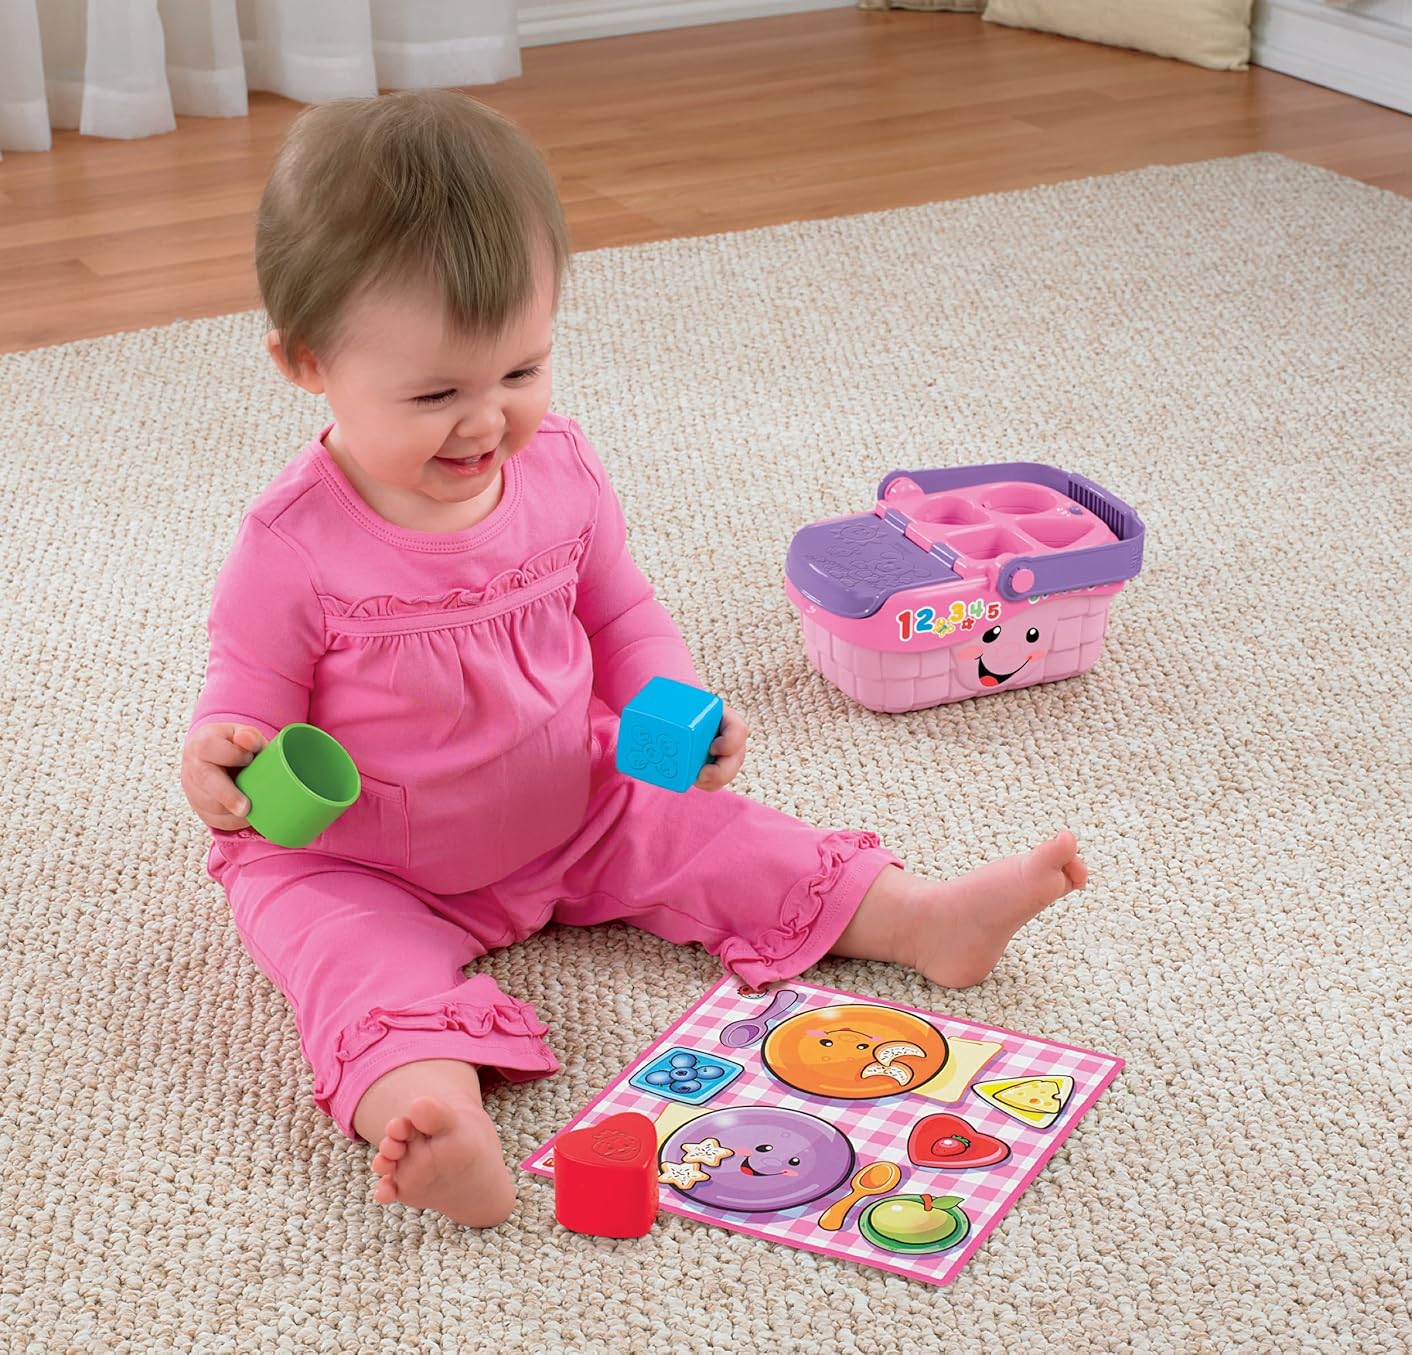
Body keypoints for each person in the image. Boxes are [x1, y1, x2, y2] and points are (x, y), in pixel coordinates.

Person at [179, 90, 1087, 1228]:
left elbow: (619, 610)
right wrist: (219, 757)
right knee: (350, 964)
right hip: (367, 860)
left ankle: (920, 917)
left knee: (726, 833)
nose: (483, 423)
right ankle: (431, 1112)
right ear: (306, 362)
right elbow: (243, 699)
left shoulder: (560, 470)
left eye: (519, 371)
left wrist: (678, 704)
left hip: (571, 795)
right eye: (435, 394)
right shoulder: (293, 544)